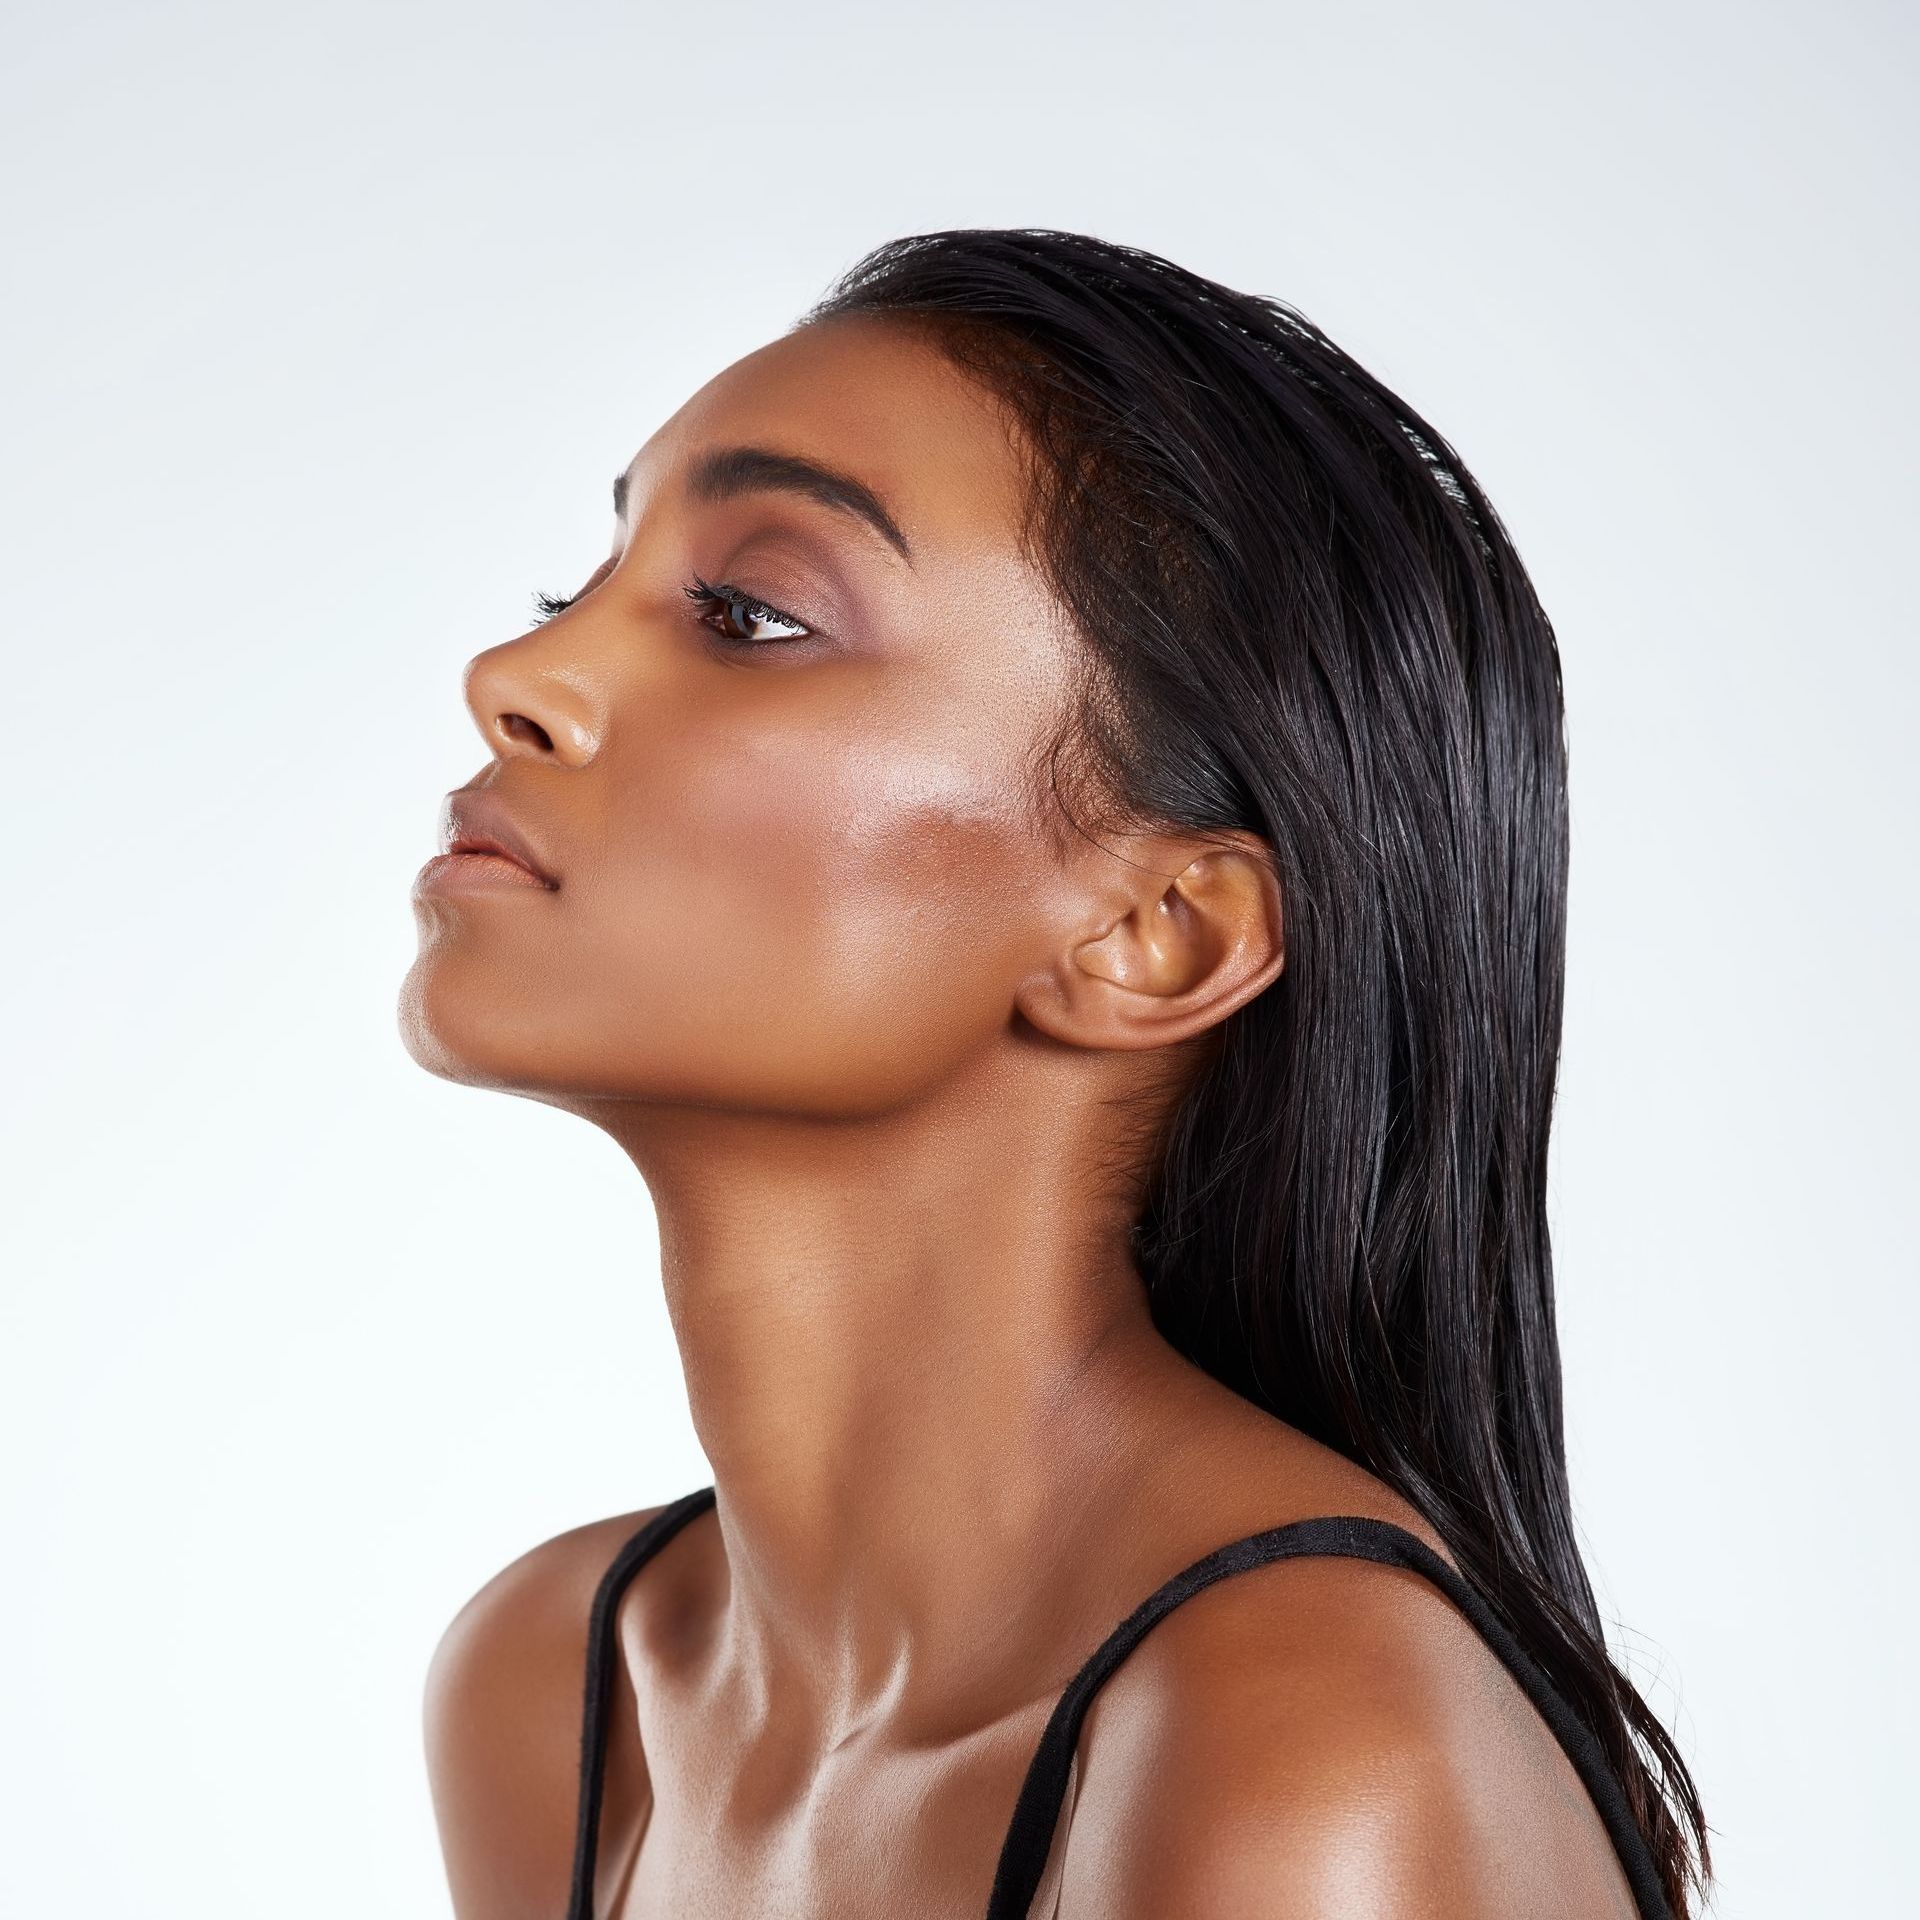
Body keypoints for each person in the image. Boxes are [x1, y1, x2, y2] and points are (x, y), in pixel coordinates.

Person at [401, 228, 1710, 1919]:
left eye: (749, 612)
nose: (517, 679)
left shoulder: (1298, 1753)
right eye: (570, 590)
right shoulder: (559, 1688)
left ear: (1154, 933)